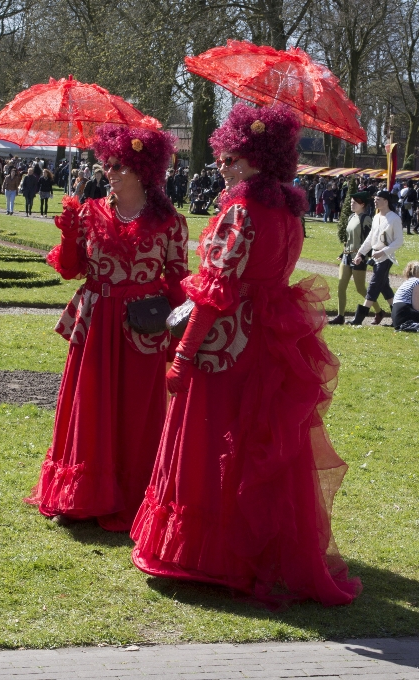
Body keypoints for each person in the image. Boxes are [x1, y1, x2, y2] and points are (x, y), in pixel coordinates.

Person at [131, 103, 362, 608]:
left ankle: (208, 553)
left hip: (226, 345)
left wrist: (183, 355)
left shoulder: (241, 211)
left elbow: (216, 292)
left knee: (213, 437)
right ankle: (255, 548)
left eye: (233, 158)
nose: (224, 165)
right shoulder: (289, 211)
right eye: (224, 156)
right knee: (255, 443)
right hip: (268, 340)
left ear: (259, 159)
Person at [25, 124, 188, 531]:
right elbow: (70, 269)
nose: (110, 171)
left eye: (120, 166)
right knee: (90, 405)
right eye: (108, 164)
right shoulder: (88, 212)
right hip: (96, 324)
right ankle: (85, 494)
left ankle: (134, 496)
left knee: (137, 409)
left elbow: (178, 281)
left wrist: (173, 333)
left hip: (143, 328)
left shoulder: (171, 223)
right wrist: (67, 233)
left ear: (143, 170)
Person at [329, 191, 384, 325]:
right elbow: (349, 239)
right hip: (347, 257)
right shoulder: (351, 217)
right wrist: (343, 253)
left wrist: (364, 256)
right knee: (341, 286)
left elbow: (370, 240)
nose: (351, 204)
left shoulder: (366, 219)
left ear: (362, 204)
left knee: (360, 289)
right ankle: (340, 316)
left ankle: (379, 311)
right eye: (351, 202)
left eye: (355, 202)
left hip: (359, 257)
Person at [350, 190, 403, 325]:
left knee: (373, 285)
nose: (375, 201)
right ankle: (398, 316)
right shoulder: (377, 216)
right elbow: (370, 239)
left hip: (386, 258)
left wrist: (383, 252)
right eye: (374, 199)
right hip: (376, 256)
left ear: (386, 201)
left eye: (378, 199)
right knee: (384, 287)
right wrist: (360, 254)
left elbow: (399, 241)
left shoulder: (395, 218)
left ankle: (358, 319)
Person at [391, 261, 419, 329]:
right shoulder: (417, 281)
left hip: (397, 316)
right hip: (404, 314)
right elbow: (416, 307)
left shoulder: (408, 282)